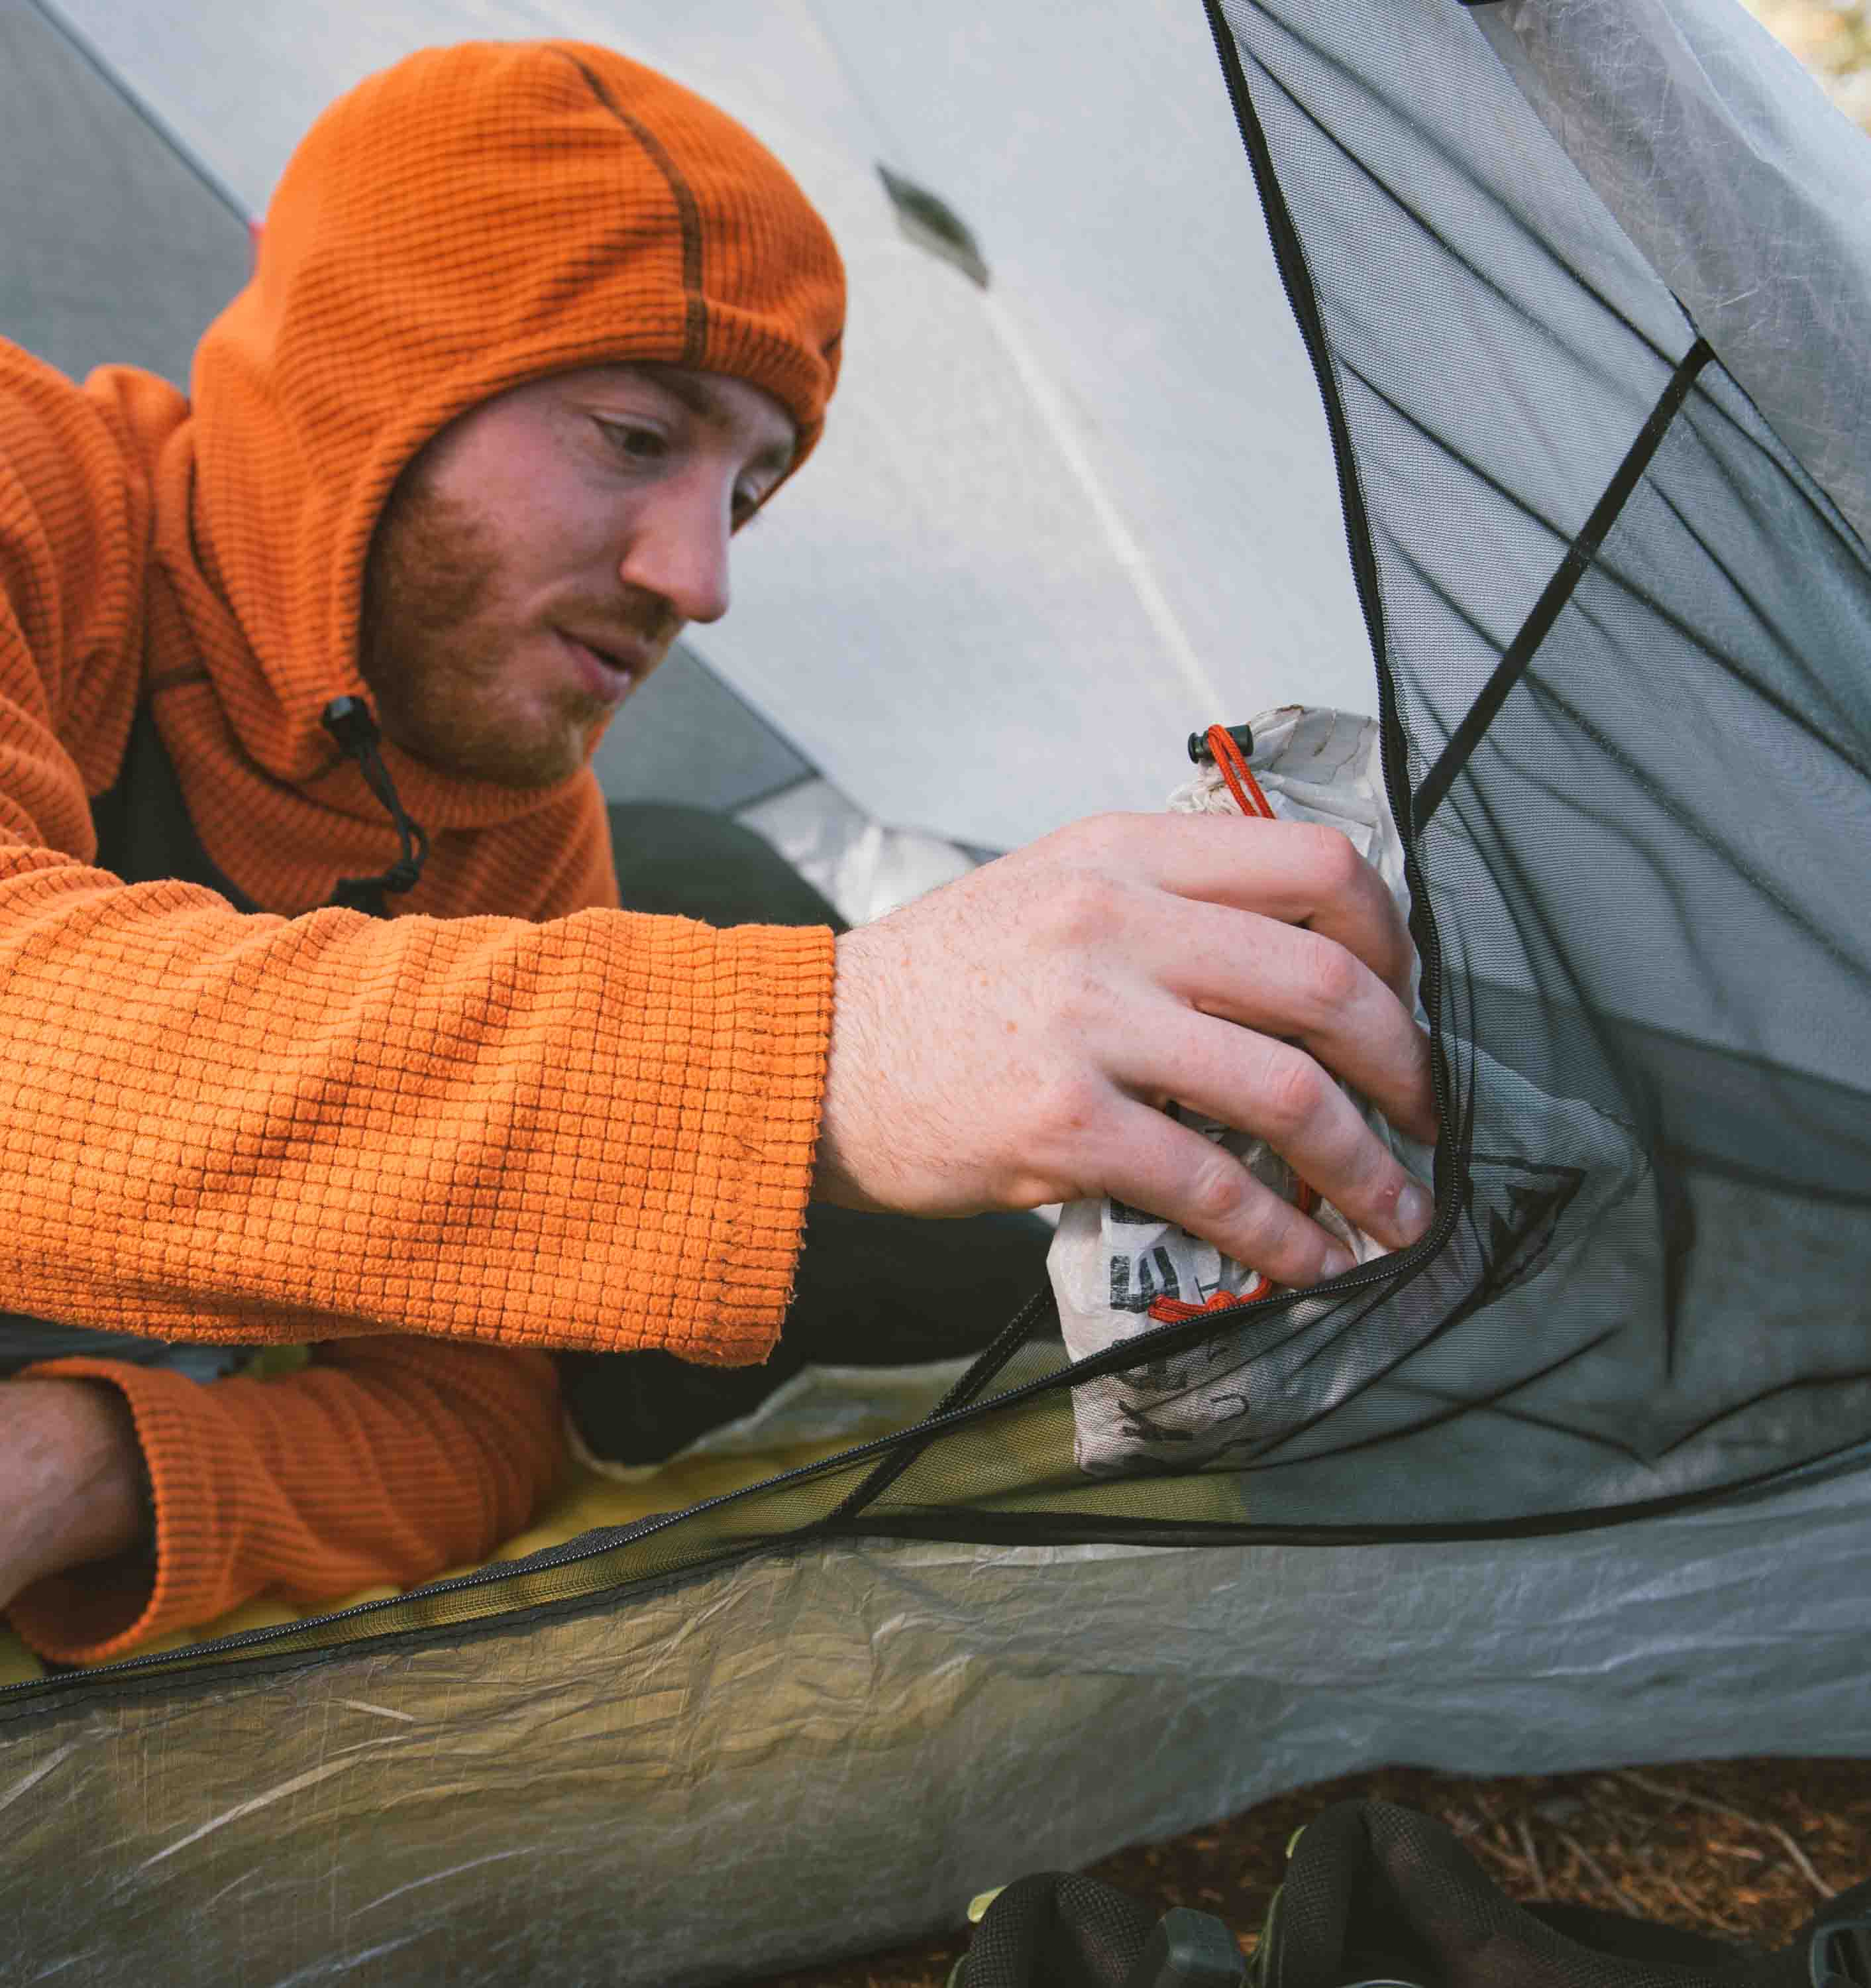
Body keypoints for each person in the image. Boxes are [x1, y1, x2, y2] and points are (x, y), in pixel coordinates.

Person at [0, 41, 1436, 1667]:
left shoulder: (504, 818)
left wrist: (82, 1467)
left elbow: (478, 1409)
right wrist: (829, 1056)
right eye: (631, 435)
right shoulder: (24, 490)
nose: (699, 577)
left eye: (747, 492)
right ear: (361, 368)